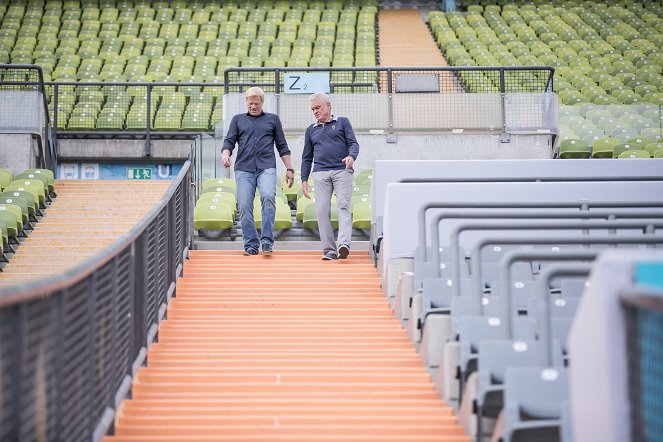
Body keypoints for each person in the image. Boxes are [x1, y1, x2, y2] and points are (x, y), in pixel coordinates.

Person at [222, 86, 295, 256]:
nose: (253, 106)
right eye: (250, 103)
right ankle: (251, 244)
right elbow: (229, 141)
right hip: (243, 169)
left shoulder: (273, 120)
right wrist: (226, 155)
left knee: (268, 197)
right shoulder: (237, 120)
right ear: (246, 103)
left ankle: (267, 241)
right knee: (245, 206)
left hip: (266, 167)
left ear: (262, 102)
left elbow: (282, 146)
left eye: (256, 103)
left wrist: (289, 168)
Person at [301, 92, 360, 260]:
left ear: (328, 105)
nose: (315, 111)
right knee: (321, 211)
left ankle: (343, 244)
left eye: (318, 107)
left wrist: (352, 156)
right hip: (320, 173)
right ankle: (329, 250)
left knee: (343, 205)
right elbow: (306, 157)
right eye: (313, 109)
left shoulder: (342, 122)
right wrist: (304, 179)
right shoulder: (310, 130)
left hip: (342, 170)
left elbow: (353, 143)